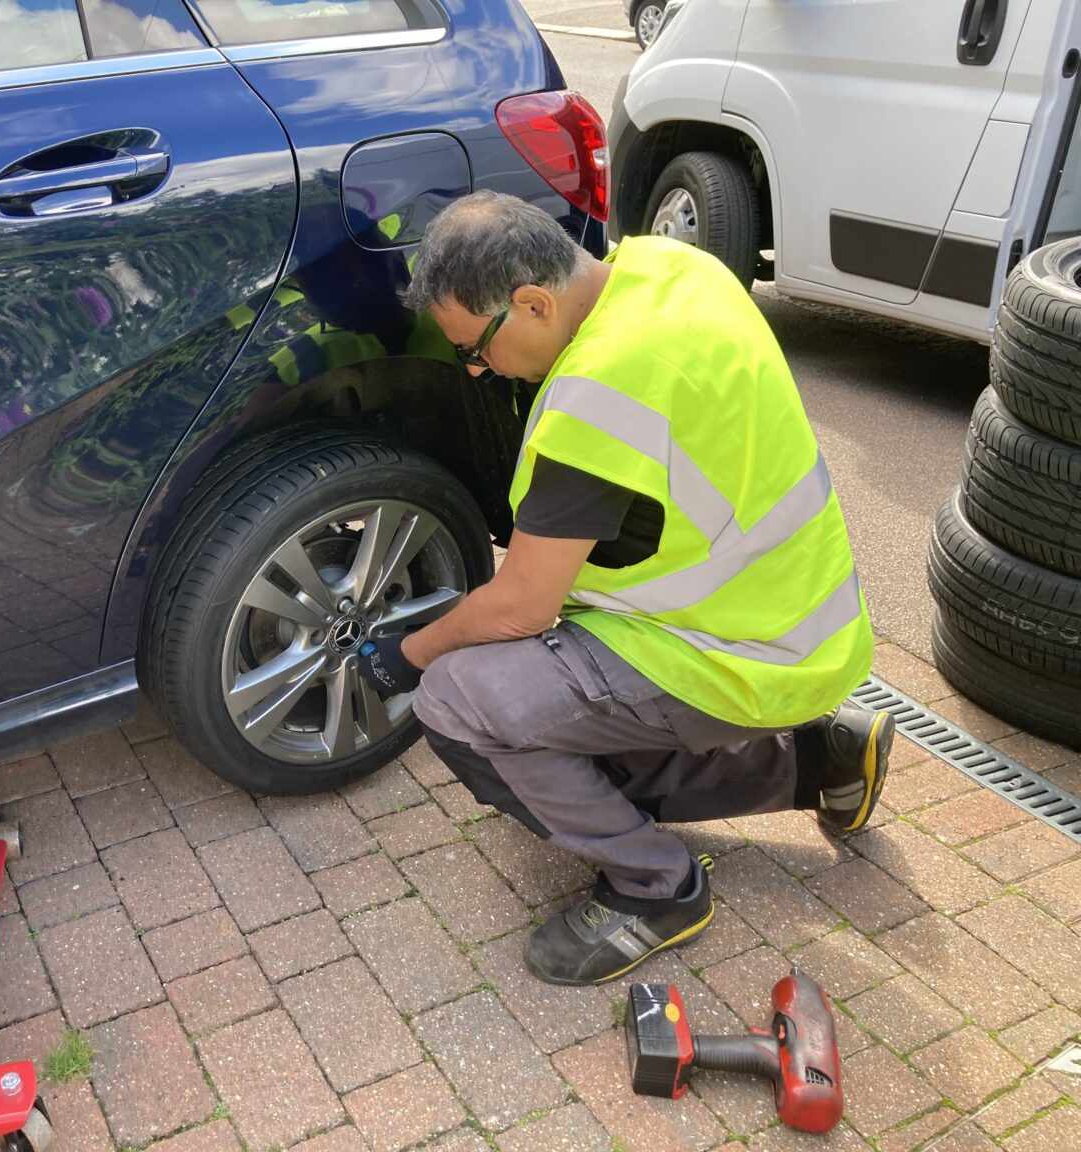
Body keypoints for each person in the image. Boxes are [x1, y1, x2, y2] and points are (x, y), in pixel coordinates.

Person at [355, 191, 893, 986]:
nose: (474, 369)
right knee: (543, 725)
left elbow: (523, 606)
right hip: (793, 615)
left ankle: (656, 888)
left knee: (459, 702)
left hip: (735, 654)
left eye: (476, 348)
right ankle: (819, 759)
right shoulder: (671, 267)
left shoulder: (602, 396)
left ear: (534, 303)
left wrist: (407, 653)